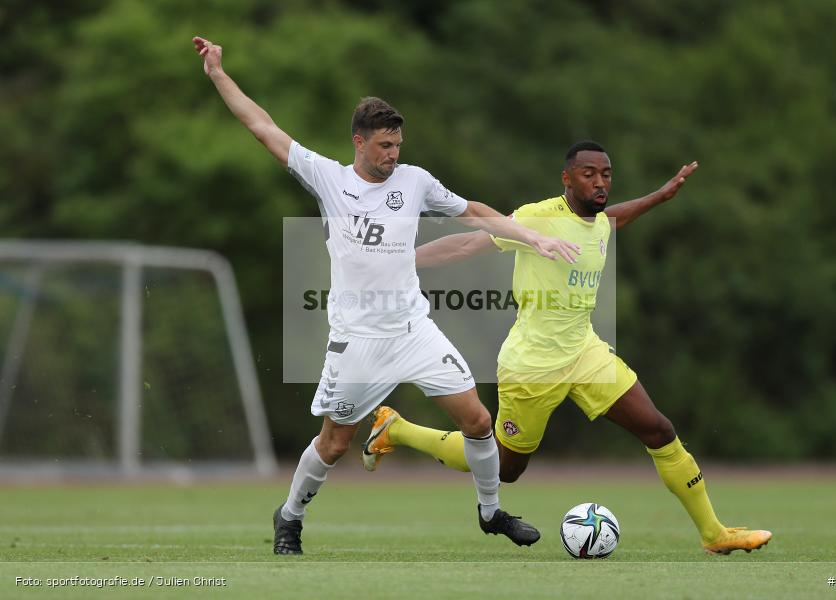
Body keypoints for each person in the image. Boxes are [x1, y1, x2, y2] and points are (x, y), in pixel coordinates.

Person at [192, 37, 585, 555]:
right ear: (358, 142)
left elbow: (473, 210)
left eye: (397, 146)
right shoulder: (328, 179)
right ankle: (289, 517)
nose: (393, 155)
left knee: (477, 419)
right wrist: (219, 73)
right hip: (357, 340)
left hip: (413, 329)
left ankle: (491, 513)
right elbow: (262, 126)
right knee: (334, 443)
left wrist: (533, 237)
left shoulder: (415, 182)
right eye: (383, 146)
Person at [362, 141, 773, 555]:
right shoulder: (537, 218)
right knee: (505, 468)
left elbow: (613, 219)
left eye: (606, 175)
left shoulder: (597, 221)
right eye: (588, 174)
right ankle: (397, 429)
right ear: (567, 178)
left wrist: (661, 195)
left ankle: (713, 533)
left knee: (659, 430)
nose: (599, 182)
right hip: (532, 366)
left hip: (585, 353)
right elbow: (469, 245)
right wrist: (400, 261)